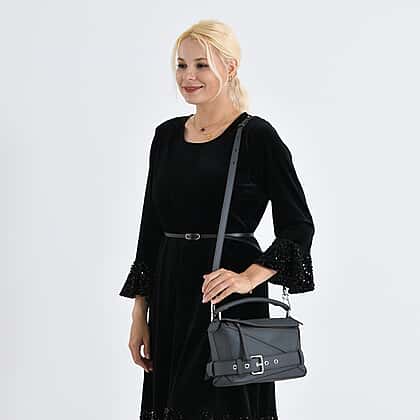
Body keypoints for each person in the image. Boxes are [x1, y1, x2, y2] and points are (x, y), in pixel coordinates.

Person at [119, 19, 315, 420]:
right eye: (181, 65)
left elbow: (298, 225)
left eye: (201, 65)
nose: (188, 76)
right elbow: (150, 229)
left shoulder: (257, 136)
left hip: (226, 297)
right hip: (171, 295)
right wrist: (140, 314)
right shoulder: (166, 136)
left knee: (222, 404)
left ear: (230, 67)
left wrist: (248, 278)